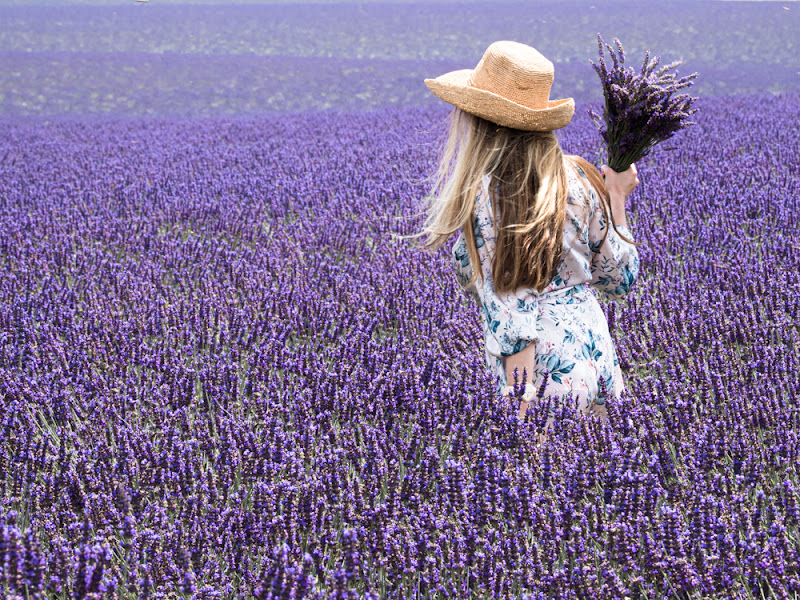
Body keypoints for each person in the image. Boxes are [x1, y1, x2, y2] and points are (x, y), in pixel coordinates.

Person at [417, 40, 642, 436]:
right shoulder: (580, 177)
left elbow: (515, 315)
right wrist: (618, 197)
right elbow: (619, 278)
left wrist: (518, 416)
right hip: (598, 366)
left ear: (486, 122)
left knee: (541, 492)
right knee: (601, 491)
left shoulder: (491, 199)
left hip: (543, 381)